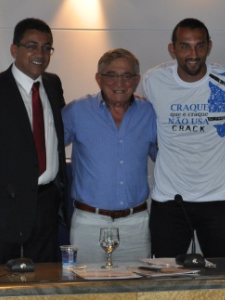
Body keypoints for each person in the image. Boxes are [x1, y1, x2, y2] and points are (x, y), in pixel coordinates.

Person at [142, 18, 225, 258]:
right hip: (169, 200)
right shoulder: (153, 81)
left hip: (218, 200)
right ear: (172, 49)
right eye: (185, 46)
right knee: (165, 280)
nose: (193, 54)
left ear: (209, 47)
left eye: (200, 46)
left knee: (221, 277)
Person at [0, 18, 66, 263]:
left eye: (46, 47)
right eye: (32, 46)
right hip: (5, 213)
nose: (40, 53)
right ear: (14, 49)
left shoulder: (53, 85)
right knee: (2, 286)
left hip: (47, 206)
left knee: (44, 283)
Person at [63, 48, 157, 264]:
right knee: (86, 291)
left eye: (127, 76)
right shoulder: (77, 111)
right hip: (88, 222)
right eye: (112, 75)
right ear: (98, 78)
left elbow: (166, 157)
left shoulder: (150, 113)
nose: (120, 82)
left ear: (136, 80)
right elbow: (46, 146)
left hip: (135, 224)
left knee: (135, 293)